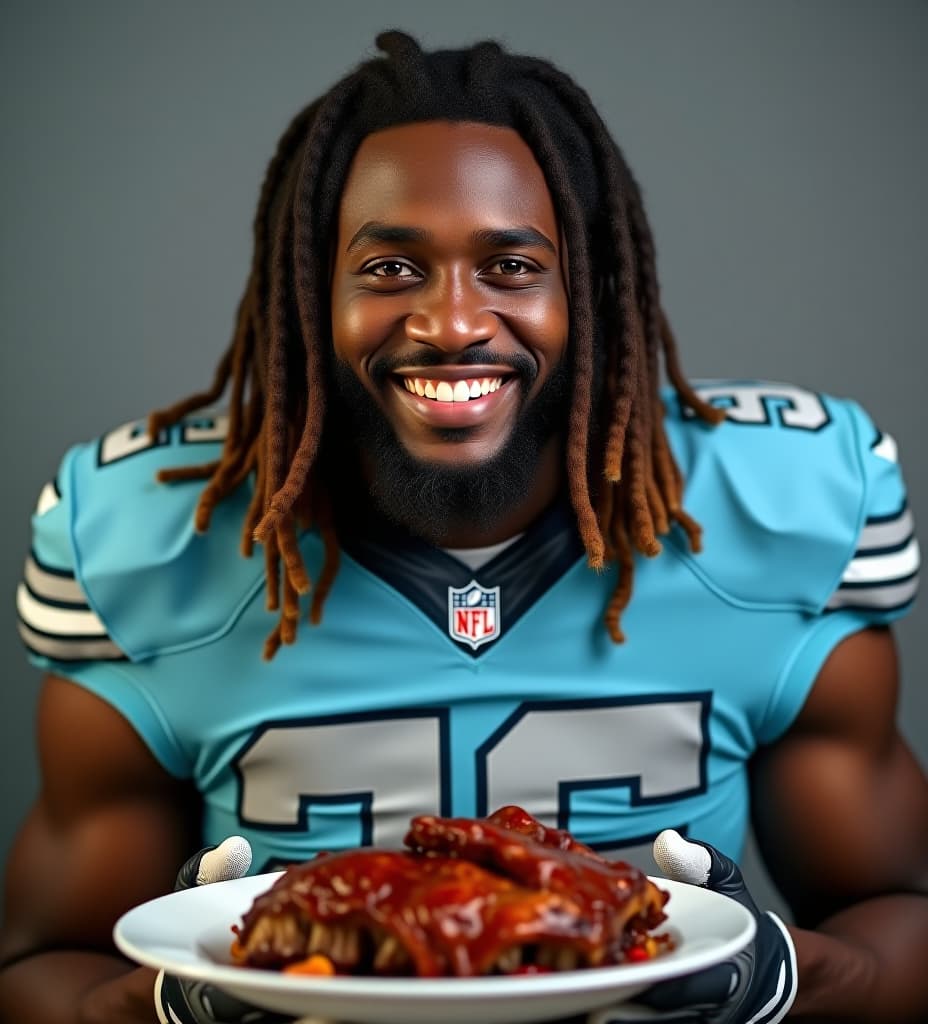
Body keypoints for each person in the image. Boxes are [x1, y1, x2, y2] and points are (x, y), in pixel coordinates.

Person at [1, 29, 926, 1024]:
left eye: (511, 264)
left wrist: (776, 973)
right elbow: (41, 968)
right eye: (392, 267)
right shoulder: (143, 531)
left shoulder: (780, 505)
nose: (451, 322)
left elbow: (898, 915)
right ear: (311, 297)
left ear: (593, 288)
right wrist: (175, 999)